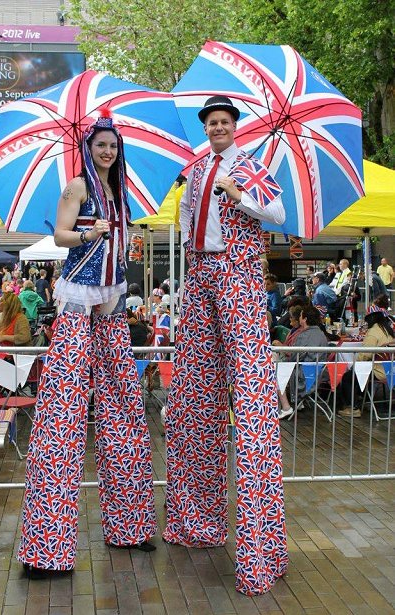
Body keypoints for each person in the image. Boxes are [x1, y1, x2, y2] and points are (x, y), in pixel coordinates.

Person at [17, 111, 157, 580]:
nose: (107, 151)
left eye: (113, 146)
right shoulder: (76, 187)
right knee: (64, 411)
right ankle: (47, 549)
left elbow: (120, 241)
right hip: (79, 296)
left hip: (112, 300)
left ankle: (131, 525)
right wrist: (86, 233)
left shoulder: (121, 191)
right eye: (100, 144)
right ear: (88, 147)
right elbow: (58, 236)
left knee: (123, 407)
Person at [163, 95, 288, 595]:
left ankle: (260, 544)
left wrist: (238, 193)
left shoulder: (252, 165)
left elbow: (276, 213)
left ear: (235, 127)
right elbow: (185, 220)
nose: (217, 128)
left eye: (223, 122)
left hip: (237, 276)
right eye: (211, 123)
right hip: (199, 276)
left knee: (250, 397)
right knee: (194, 397)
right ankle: (195, 518)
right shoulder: (195, 169)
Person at [337, 311, 395, 417]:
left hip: (379, 370)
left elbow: (365, 354)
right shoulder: (387, 330)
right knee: (359, 375)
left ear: (372, 319)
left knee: (348, 377)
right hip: (390, 369)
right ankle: (366, 400)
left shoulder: (373, 332)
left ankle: (352, 407)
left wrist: (355, 364)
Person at [276, 305, 329, 419]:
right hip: (318, 375)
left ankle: (285, 407)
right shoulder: (321, 334)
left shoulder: (304, 336)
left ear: (304, 319)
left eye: (300, 316)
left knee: (275, 372)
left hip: (304, 377)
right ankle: (297, 404)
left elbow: (294, 358)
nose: (299, 318)